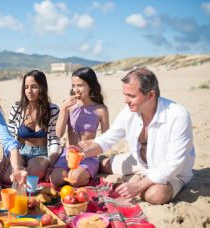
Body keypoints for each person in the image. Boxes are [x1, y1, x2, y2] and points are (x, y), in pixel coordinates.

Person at [81, 68, 195, 204]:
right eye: (125, 95)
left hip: (173, 171)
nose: (126, 100)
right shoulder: (130, 111)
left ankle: (139, 178)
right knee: (103, 165)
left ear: (151, 95)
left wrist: (138, 185)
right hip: (140, 162)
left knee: (155, 196)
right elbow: (109, 137)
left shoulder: (178, 116)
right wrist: (83, 154)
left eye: (131, 96)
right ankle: (138, 175)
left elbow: (173, 164)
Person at [0, 70, 61, 183]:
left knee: (32, 174)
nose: (29, 91)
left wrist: (52, 165)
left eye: (34, 87)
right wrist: (6, 157)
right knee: (8, 177)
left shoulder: (53, 110)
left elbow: (55, 139)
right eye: (26, 87)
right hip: (19, 151)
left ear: (42, 87)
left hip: (41, 153)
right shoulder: (17, 108)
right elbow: (9, 135)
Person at [50, 67, 109, 187]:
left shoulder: (101, 109)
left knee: (75, 179)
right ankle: (80, 174)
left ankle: (87, 171)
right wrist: (63, 109)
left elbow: (107, 138)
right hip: (68, 154)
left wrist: (92, 141)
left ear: (90, 86)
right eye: (73, 85)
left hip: (88, 154)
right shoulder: (69, 106)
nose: (76, 90)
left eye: (80, 85)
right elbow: (59, 134)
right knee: (55, 180)